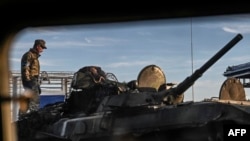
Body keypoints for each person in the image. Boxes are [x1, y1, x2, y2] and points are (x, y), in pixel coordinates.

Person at [20, 39, 47, 112]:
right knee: (34, 98)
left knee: (29, 98)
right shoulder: (29, 55)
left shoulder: (34, 56)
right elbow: (25, 67)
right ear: (38, 46)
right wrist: (28, 79)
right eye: (42, 47)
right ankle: (33, 114)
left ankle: (24, 115)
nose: (42, 50)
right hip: (31, 79)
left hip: (33, 79)